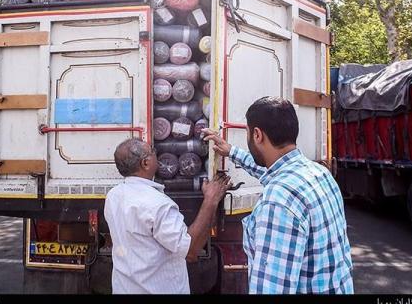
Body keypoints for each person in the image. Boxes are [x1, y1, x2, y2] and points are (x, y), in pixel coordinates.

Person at [202, 96, 353, 294]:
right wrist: (232, 151)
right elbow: (271, 172)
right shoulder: (318, 173)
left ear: (257, 135)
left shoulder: (278, 201)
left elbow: (271, 288)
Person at [104, 138, 231, 294]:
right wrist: (210, 200)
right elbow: (190, 251)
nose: (156, 153)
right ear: (145, 163)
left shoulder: (113, 196)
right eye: (153, 151)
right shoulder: (158, 205)